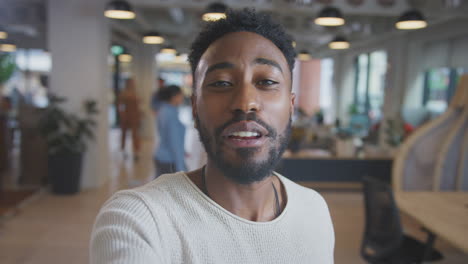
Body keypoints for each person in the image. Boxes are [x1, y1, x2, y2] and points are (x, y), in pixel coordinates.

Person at [91, 9, 334, 263]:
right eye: (221, 83)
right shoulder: (140, 219)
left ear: (291, 105)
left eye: (267, 82)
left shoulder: (314, 209)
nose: (245, 102)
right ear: (195, 106)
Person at [153, 85, 186, 177]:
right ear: (174, 96)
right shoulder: (171, 115)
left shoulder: (163, 110)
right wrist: (181, 168)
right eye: (181, 95)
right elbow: (174, 142)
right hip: (169, 160)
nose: (182, 97)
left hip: (161, 156)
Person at [117, 78, 141, 160]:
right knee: (124, 134)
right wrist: (122, 115)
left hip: (135, 117)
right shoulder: (123, 93)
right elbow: (120, 106)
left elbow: (139, 105)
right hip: (126, 117)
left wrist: (139, 115)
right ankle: (123, 151)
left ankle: (136, 152)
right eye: (131, 83)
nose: (132, 84)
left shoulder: (136, 93)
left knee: (135, 135)